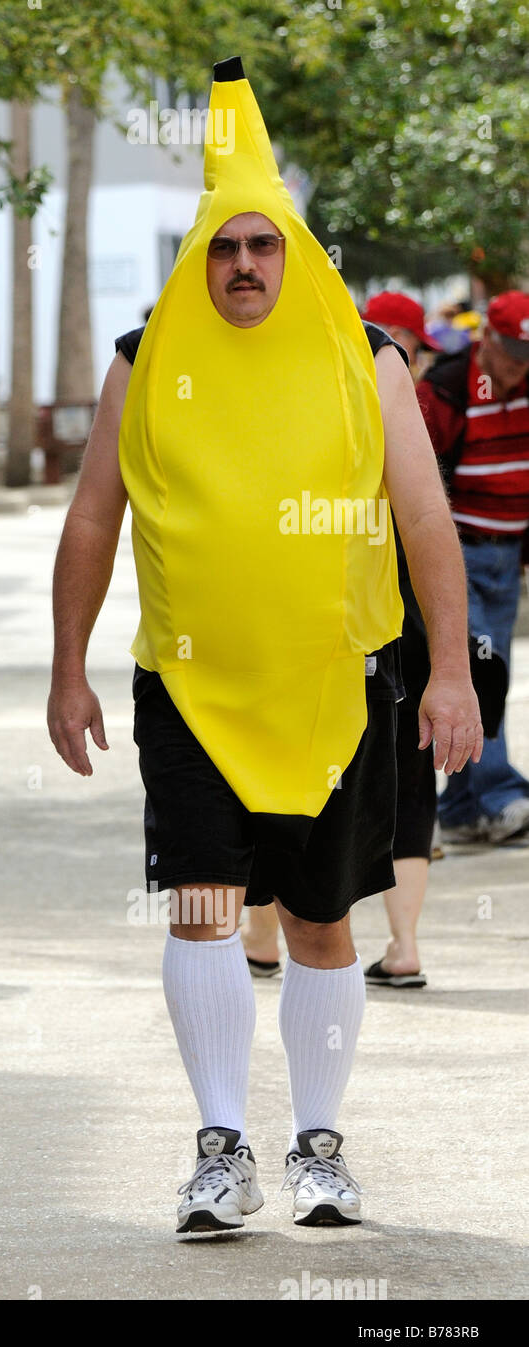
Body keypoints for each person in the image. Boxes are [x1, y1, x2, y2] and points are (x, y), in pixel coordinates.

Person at [47, 59, 480, 1236]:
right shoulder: (143, 359)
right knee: (199, 902)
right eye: (223, 245)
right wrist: (65, 666)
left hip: (335, 687)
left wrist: (448, 668)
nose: (242, 263)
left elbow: (423, 518)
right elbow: (95, 515)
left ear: (291, 248)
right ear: (198, 255)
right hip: (186, 685)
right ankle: (219, 1148)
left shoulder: (367, 359)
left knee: (320, 923)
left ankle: (319, 1147)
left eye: (263, 243)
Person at [246, 292, 446, 987]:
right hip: (385, 626)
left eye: (407, 348)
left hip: (376, 630)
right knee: (395, 790)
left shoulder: (343, 398)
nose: (403, 357)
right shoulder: (403, 405)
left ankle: (271, 936)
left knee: (304, 788)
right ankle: (398, 943)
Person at [416, 292, 529, 845]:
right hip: (460, 554)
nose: (517, 364)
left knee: (494, 674)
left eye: (526, 354)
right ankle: (500, 795)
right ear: (486, 337)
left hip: (508, 557)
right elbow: (415, 479)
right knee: (481, 673)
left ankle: (461, 807)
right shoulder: (446, 390)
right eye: (510, 351)